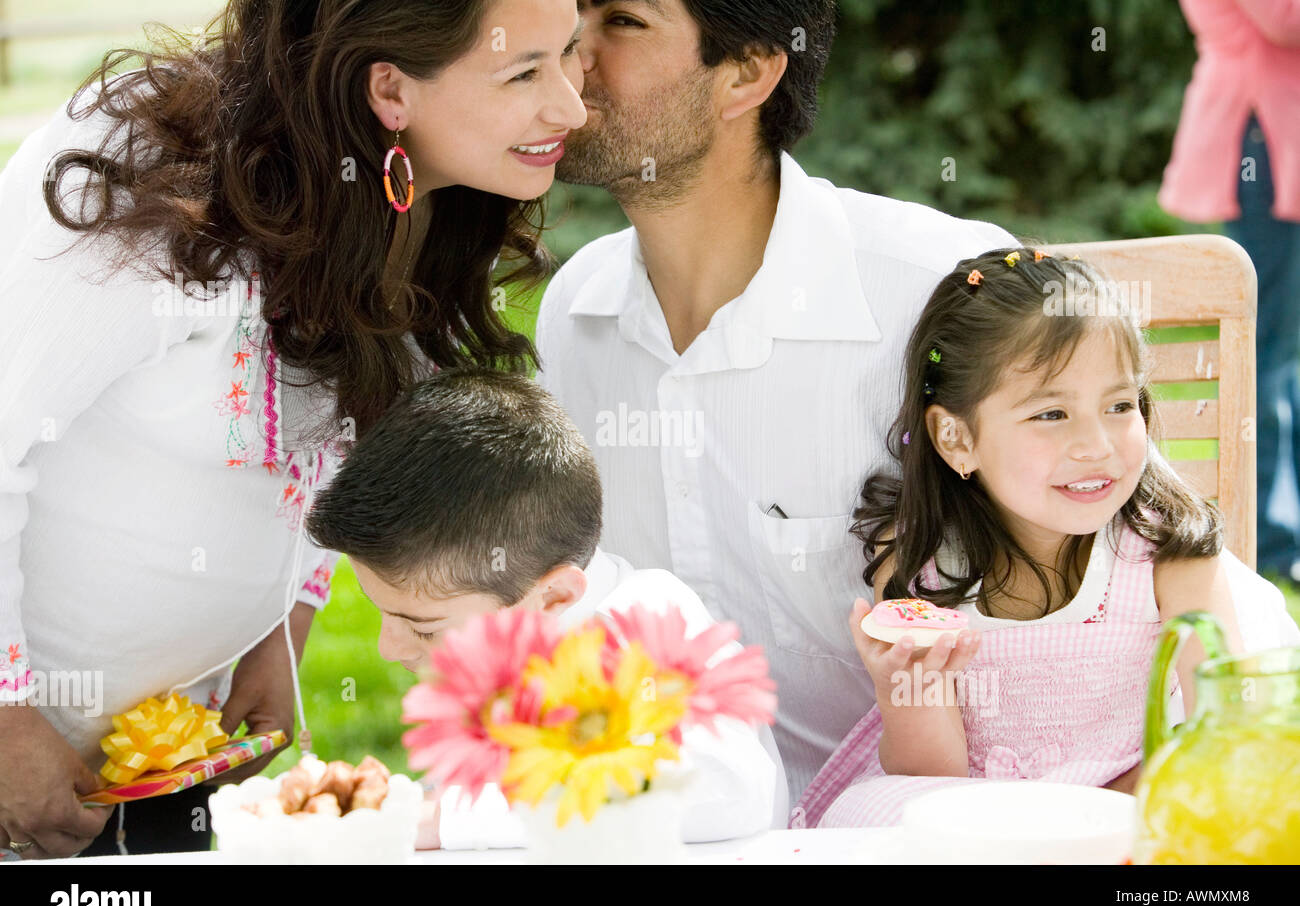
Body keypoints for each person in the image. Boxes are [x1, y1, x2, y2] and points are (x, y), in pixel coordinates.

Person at [0, 0, 586, 860]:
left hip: (167, 764)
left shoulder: (426, 199)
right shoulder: (139, 173)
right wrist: (8, 717)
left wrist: (278, 632)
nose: (570, 105)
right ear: (388, 86)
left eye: (568, 57)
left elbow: (329, 442)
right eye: (525, 71)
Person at [533, 0, 1015, 804]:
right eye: (573, 10)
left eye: (621, 20)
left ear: (749, 72)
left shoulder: (940, 290)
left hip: (917, 830)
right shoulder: (575, 311)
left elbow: (1128, 579)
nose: (568, 50)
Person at [792, 248, 1300, 829]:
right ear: (956, 438)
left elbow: (1222, 730)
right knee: (885, 819)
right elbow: (932, 780)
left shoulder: (1170, 552)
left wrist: (1127, 801)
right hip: (977, 826)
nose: (1096, 444)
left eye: (1119, 405)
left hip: (1133, 808)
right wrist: (906, 689)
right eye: (1051, 415)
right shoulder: (920, 561)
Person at [304, 368, 785, 847]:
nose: (388, 648)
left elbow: (729, 791)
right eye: (382, 612)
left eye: (425, 628)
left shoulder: (644, 621)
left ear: (553, 598)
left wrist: (450, 819)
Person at [1159, 0, 1300, 579]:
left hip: (1271, 132)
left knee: (1283, 349)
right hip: (1264, 134)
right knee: (1266, 348)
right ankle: (1265, 540)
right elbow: (1284, 21)